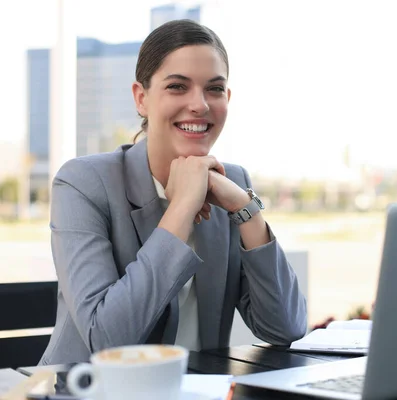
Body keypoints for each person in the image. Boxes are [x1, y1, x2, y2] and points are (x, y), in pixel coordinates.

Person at [40, 20, 307, 365]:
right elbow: (107, 341)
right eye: (178, 87)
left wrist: (246, 208)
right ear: (141, 98)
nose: (199, 105)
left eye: (214, 89)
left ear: (227, 98)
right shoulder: (84, 182)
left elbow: (285, 327)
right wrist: (181, 207)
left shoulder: (232, 183)